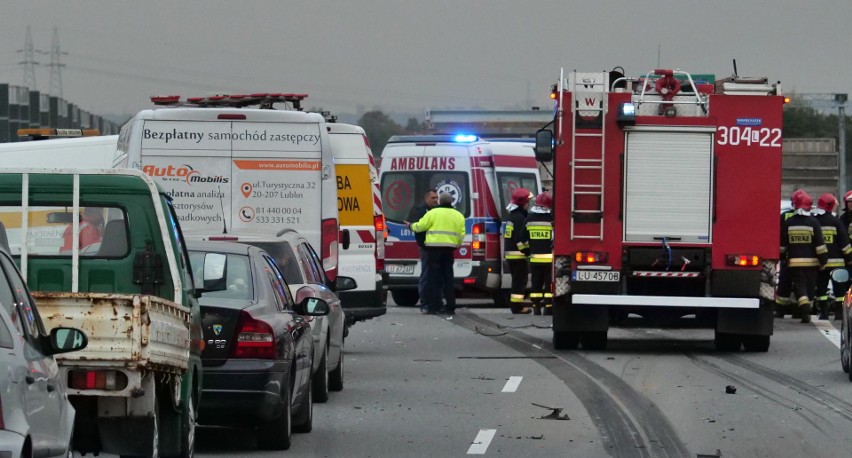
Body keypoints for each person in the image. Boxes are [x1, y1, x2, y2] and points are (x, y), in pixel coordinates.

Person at [407, 192, 465, 315]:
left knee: (433, 278)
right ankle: (450, 306)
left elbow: (421, 226)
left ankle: (433, 306)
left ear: (440, 201)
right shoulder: (458, 215)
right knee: (448, 278)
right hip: (449, 249)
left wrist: (411, 226)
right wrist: (457, 244)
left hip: (433, 249)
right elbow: (461, 234)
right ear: (451, 202)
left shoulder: (432, 213)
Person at [779, 191, 828, 323]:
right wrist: (823, 261)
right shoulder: (814, 222)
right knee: (810, 287)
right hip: (812, 264)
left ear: (794, 204)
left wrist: (782, 258)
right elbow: (820, 245)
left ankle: (804, 306)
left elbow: (782, 246)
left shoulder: (788, 222)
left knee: (800, 286)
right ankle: (807, 308)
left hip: (795, 263)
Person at [812, 193, 852, 320]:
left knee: (821, 289)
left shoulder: (814, 221)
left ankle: (823, 313)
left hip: (821, 263)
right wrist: (849, 258)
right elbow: (844, 242)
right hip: (837, 263)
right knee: (839, 290)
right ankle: (840, 313)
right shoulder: (836, 221)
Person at [405, 189, 439, 312]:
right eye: (433, 198)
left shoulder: (436, 210)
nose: (436, 200)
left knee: (433, 276)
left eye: (437, 198)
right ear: (426, 198)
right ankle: (424, 302)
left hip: (435, 248)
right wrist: (424, 245)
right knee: (426, 276)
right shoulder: (421, 211)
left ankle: (433, 302)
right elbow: (418, 230)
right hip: (426, 248)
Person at [775, 189, 805, 318]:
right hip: (805, 258)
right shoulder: (811, 219)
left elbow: (779, 237)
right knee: (801, 284)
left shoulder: (785, 216)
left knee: (784, 283)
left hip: (788, 256)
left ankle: (781, 310)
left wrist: (780, 256)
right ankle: (799, 311)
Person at [504, 188, 533, 314]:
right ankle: (517, 307)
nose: (529, 204)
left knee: (517, 280)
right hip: (518, 255)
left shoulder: (512, 216)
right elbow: (520, 239)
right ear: (522, 203)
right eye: (528, 202)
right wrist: (527, 251)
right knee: (520, 281)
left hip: (511, 255)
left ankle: (516, 305)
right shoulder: (521, 218)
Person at [524, 192, 553, 316]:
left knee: (536, 283)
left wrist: (526, 251)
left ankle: (536, 307)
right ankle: (548, 307)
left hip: (534, 259)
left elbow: (522, 238)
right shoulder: (552, 219)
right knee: (548, 284)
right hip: (549, 260)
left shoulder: (529, 218)